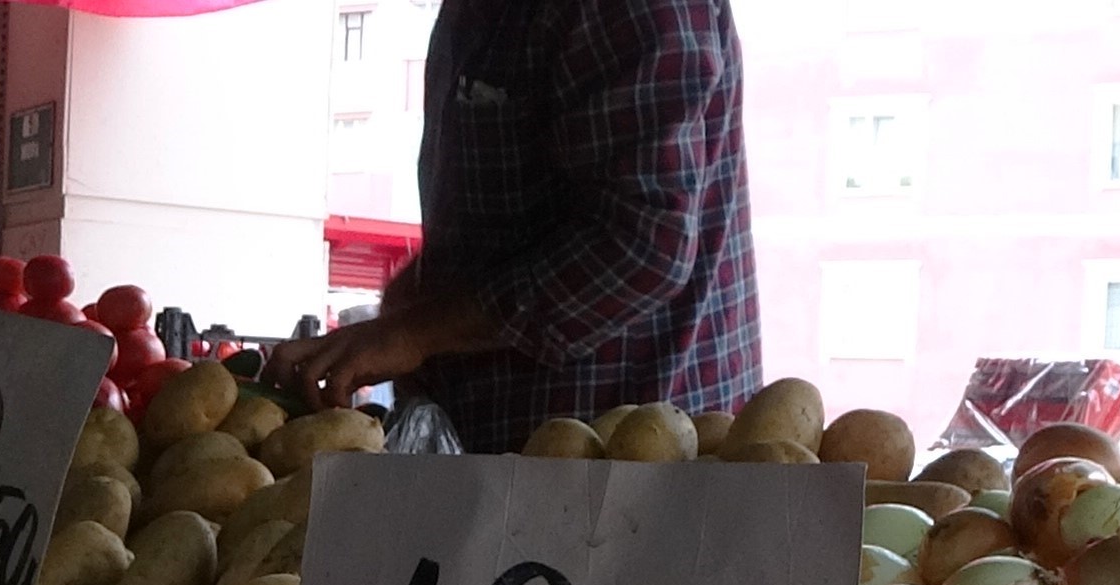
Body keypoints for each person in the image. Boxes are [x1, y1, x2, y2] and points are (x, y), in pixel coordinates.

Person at [263, 0, 759, 454]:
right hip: (506, 482)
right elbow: (508, 222)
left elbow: (644, 246)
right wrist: (410, 301)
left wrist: (417, 332)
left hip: (627, 477)